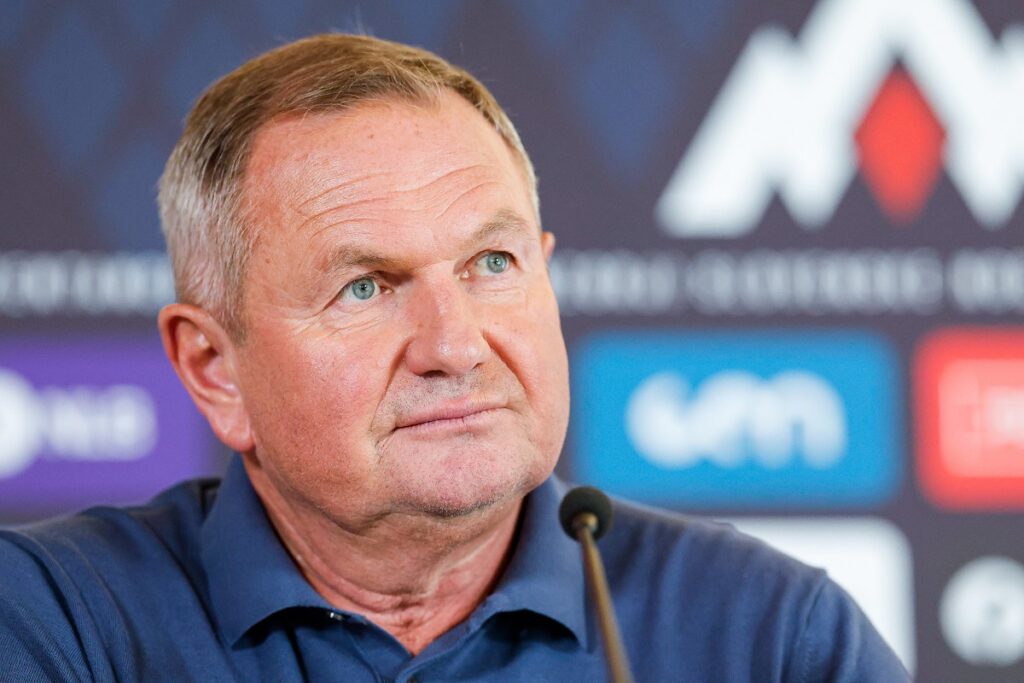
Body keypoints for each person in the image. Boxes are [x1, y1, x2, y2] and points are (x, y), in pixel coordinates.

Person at [0, 34, 909, 682]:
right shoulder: (54, 621)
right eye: (365, 286)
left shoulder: (769, 636)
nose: (456, 343)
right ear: (214, 367)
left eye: (492, 264)